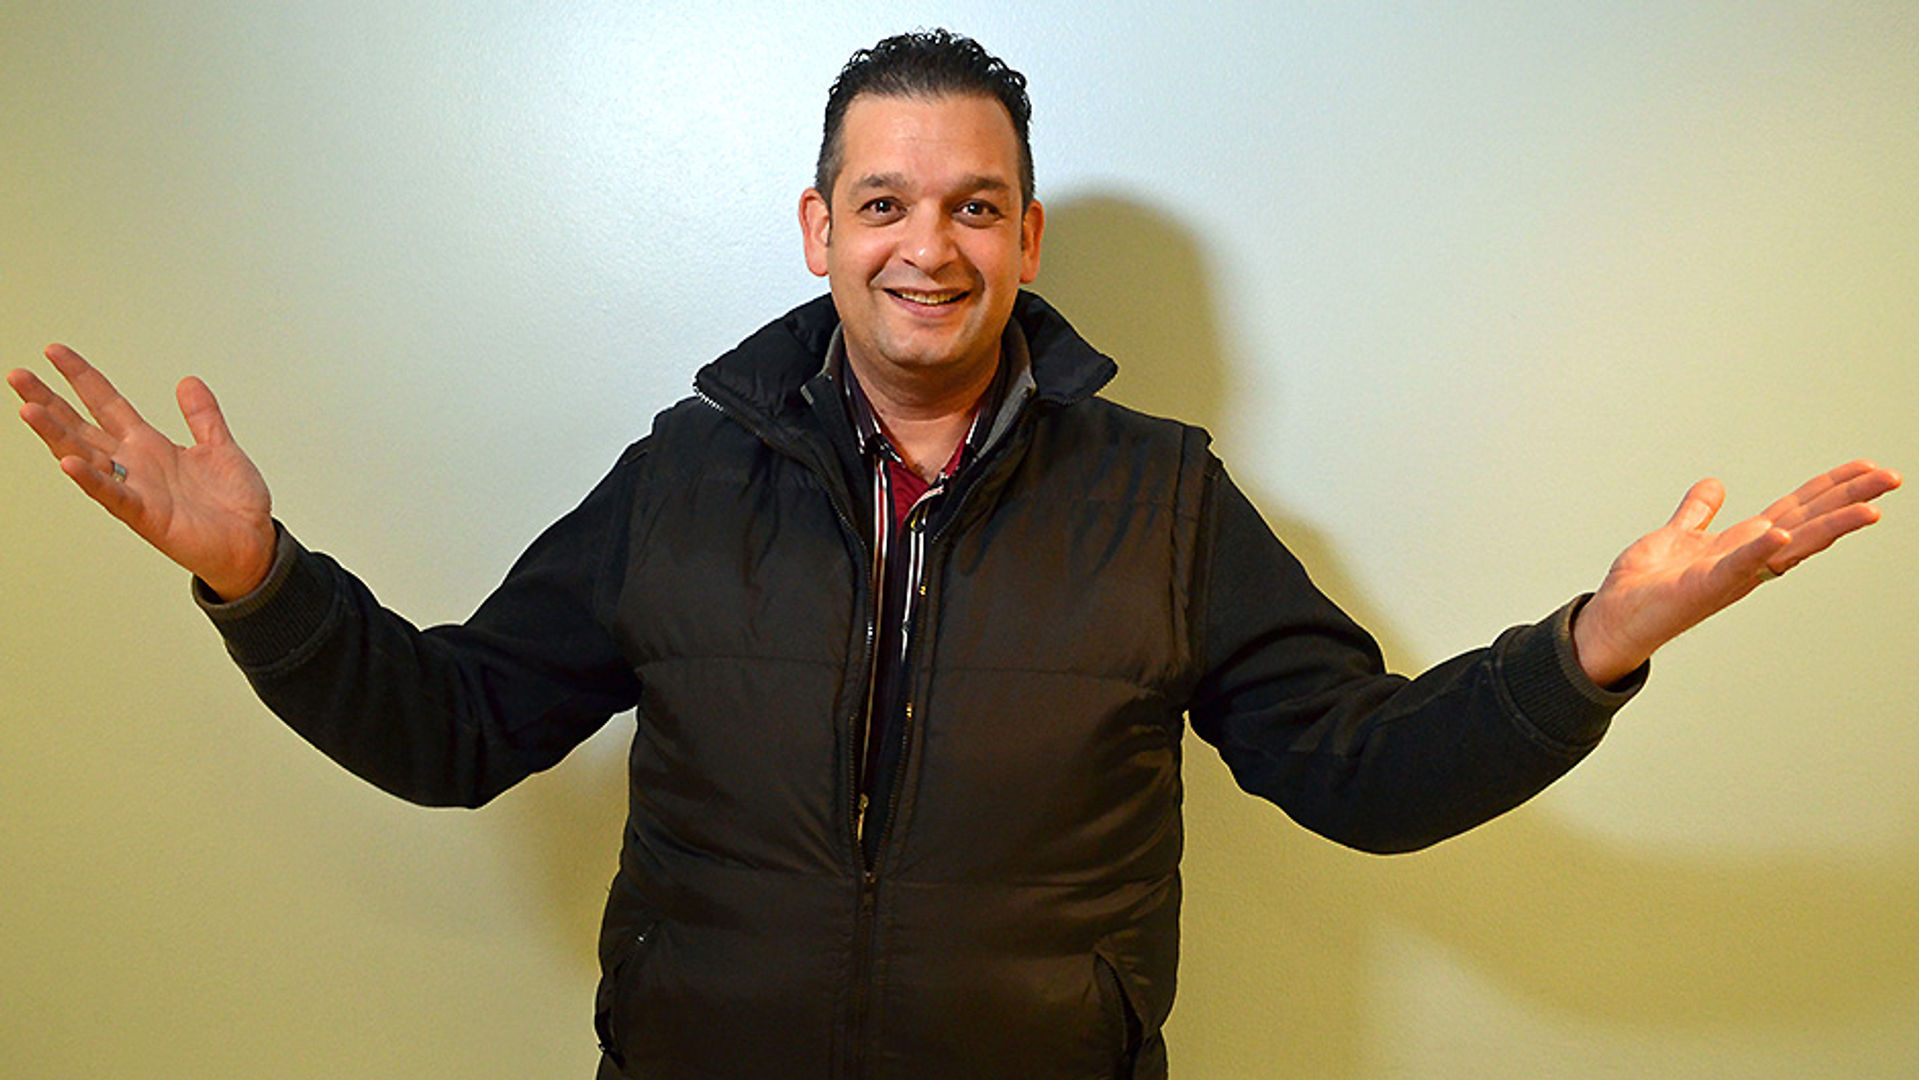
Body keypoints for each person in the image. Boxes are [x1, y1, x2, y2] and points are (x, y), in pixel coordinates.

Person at [6, 28, 1899, 1080]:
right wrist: (260, 582)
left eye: (976, 206)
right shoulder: (680, 479)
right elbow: (457, 729)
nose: (931, 247)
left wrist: (1596, 642)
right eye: (887, 203)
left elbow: (1367, 776)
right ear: (817, 227)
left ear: (1028, 237)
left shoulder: (1162, 499)